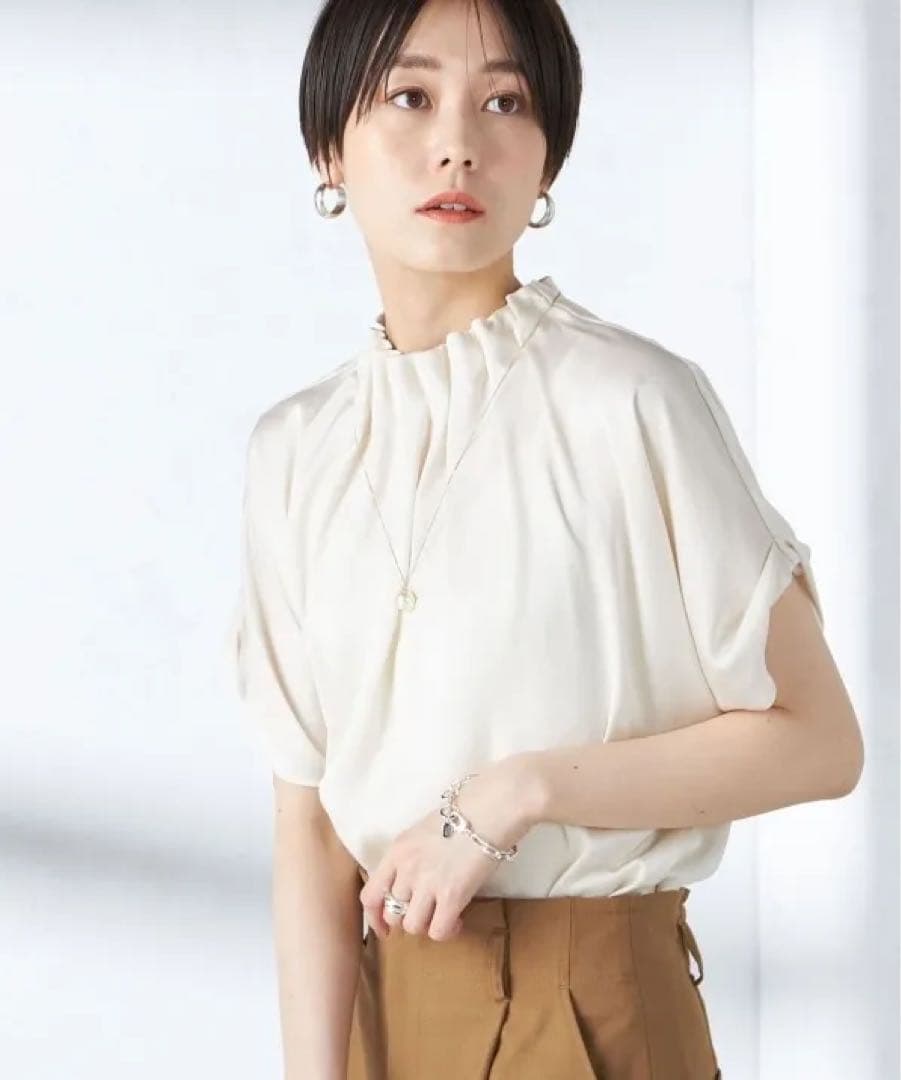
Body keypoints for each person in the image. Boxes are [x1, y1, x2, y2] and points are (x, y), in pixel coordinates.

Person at [226, 1, 864, 1077]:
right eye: (410, 96)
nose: (456, 143)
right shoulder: (296, 449)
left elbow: (819, 742)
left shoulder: (633, 400)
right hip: (381, 1018)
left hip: (589, 1015)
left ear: (548, 158)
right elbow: (310, 829)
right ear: (327, 147)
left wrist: (518, 792)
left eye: (504, 102)